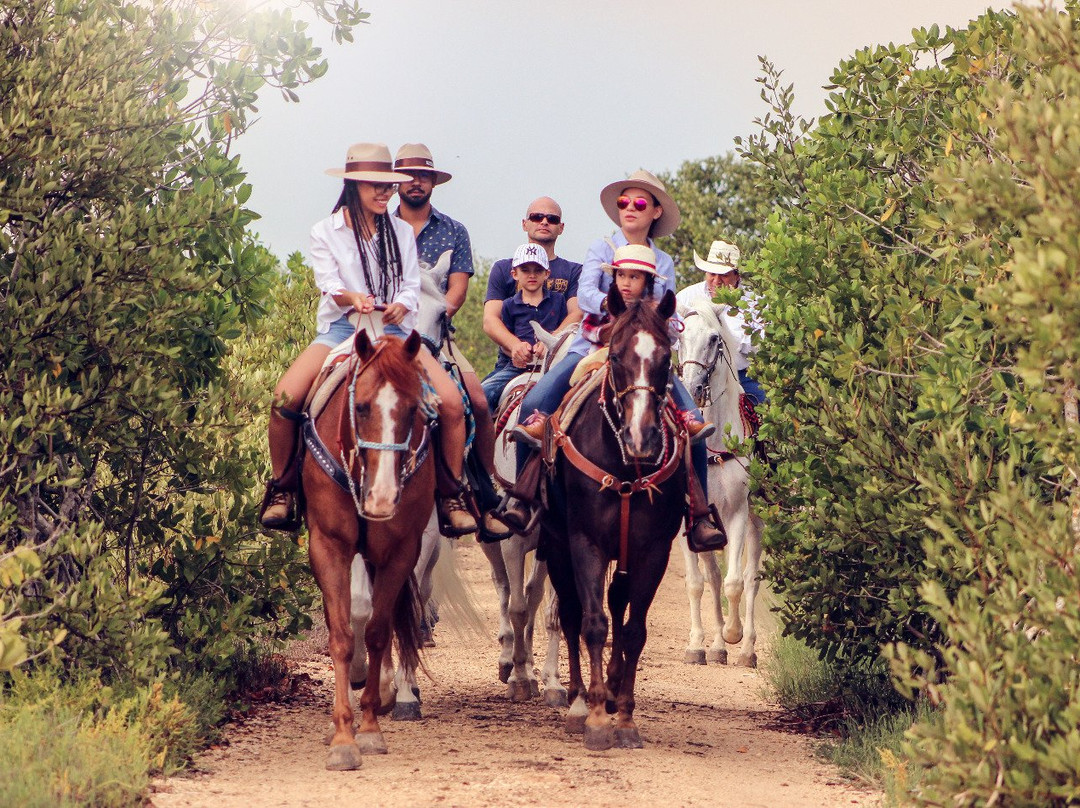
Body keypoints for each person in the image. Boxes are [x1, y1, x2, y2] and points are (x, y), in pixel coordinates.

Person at [499, 170, 725, 550]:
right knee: (535, 404)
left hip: (643, 353)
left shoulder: (664, 260)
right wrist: (620, 307)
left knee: (696, 426)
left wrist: (648, 320)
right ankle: (524, 498)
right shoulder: (601, 248)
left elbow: (666, 310)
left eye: (639, 203)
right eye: (624, 202)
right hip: (592, 346)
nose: (630, 209)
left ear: (655, 212)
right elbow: (587, 292)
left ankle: (698, 514)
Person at [259, 142, 476, 535]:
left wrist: (401, 305)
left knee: (452, 404)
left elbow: (411, 285)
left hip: (394, 332)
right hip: (344, 329)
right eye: (376, 186)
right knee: (285, 397)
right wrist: (351, 297)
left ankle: (451, 494)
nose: (385, 193)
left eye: (387, 186)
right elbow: (328, 285)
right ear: (353, 185)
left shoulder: (400, 232)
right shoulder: (325, 231)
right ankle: (282, 488)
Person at [392, 143, 508, 538]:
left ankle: (477, 492)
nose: (415, 182)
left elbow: (457, 289)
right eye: (407, 175)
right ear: (396, 183)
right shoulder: (380, 227)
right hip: (387, 331)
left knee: (475, 400)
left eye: (423, 175)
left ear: (433, 182)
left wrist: (437, 313)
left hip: (435, 331)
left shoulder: (455, 231)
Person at [483, 197, 583, 367]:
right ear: (524, 224)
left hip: (558, 361)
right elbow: (490, 319)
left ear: (561, 228)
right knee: (481, 394)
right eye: (537, 217)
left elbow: (576, 314)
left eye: (552, 219)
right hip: (511, 362)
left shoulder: (575, 271)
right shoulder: (502, 268)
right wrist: (516, 346)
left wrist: (551, 342)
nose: (544, 222)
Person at [676, 239, 765, 406]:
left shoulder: (754, 303)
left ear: (737, 275)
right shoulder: (686, 298)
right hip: (692, 375)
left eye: (724, 275)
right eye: (711, 274)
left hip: (742, 376)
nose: (716, 281)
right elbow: (673, 337)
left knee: (765, 413)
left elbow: (760, 346)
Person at [481, 243, 568, 412]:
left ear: (547, 274)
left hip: (551, 366)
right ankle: (486, 436)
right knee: (483, 394)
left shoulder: (558, 301)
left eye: (538, 270)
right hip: (517, 367)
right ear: (514, 274)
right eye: (525, 270)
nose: (532, 275)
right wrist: (517, 350)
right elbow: (505, 343)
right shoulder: (508, 305)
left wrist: (551, 344)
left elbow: (564, 331)